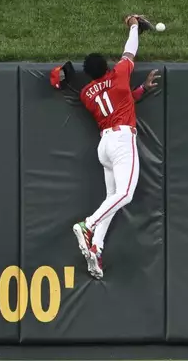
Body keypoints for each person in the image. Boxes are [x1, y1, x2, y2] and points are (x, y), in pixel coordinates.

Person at [71, 14, 161, 280]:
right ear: (107, 67)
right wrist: (134, 25)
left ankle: (96, 248)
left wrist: (141, 90)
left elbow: (119, 103)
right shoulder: (119, 75)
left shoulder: (85, 94)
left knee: (112, 199)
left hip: (105, 146)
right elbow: (129, 51)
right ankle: (87, 225)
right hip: (121, 142)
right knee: (126, 195)